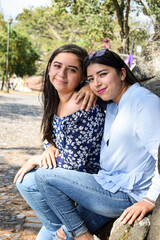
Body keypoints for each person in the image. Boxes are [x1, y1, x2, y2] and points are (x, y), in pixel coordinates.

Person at [35, 49, 160, 240]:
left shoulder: (143, 102)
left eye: (103, 74)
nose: (97, 83)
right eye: (91, 78)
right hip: (106, 184)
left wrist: (149, 200)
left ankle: (81, 235)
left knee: (43, 176)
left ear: (122, 73)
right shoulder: (111, 101)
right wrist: (88, 86)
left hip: (126, 194)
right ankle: (71, 231)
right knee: (55, 236)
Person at [14, 44, 105, 240]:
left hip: (92, 185)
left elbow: (73, 164)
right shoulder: (57, 98)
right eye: (57, 66)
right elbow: (54, 137)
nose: (62, 73)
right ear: (49, 70)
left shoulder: (82, 105)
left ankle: (63, 230)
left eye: (72, 69)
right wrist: (50, 148)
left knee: (32, 178)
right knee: (25, 181)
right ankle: (61, 228)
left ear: (82, 77)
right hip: (70, 179)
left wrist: (36, 159)